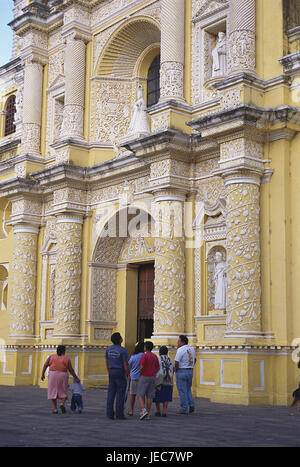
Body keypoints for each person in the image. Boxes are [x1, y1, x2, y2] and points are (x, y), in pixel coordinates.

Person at [41, 345, 80, 414]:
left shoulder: (51, 357)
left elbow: (45, 365)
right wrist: (76, 377)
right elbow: (71, 370)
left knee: (52, 391)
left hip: (52, 375)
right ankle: (62, 404)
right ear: (64, 351)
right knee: (63, 390)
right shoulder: (66, 359)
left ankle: (55, 409)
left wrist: (42, 374)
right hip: (62, 375)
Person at [105, 332, 130, 420]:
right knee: (120, 394)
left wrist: (109, 371)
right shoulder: (123, 350)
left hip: (112, 371)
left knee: (111, 393)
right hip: (120, 372)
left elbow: (107, 362)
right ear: (120, 340)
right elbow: (125, 364)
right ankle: (119, 414)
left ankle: (109, 413)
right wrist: (128, 374)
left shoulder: (108, 349)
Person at [137, 341, 160, 420]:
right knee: (149, 396)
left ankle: (143, 410)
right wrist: (153, 372)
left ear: (145, 347)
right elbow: (158, 367)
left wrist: (140, 373)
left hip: (144, 376)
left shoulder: (144, 355)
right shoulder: (154, 356)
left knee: (140, 394)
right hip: (152, 377)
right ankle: (148, 412)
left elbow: (142, 366)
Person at [174, 335, 196, 415]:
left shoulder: (180, 350)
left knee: (182, 390)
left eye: (178, 341)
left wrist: (176, 370)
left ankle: (184, 408)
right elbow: (195, 359)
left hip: (182, 371)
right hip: (190, 370)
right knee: (188, 389)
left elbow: (176, 362)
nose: (177, 343)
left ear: (182, 342)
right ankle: (191, 404)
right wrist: (190, 366)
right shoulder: (192, 349)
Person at [153, 346, 174, 417]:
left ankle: (158, 411)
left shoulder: (157, 359)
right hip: (169, 380)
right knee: (166, 396)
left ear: (159, 352)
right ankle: (164, 411)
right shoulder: (171, 360)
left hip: (159, 379)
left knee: (157, 396)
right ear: (167, 352)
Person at [128, 342, 145, 416]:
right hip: (143, 377)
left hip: (134, 377)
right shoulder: (144, 356)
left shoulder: (133, 357)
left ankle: (131, 410)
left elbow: (129, 366)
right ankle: (142, 410)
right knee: (142, 395)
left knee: (132, 394)